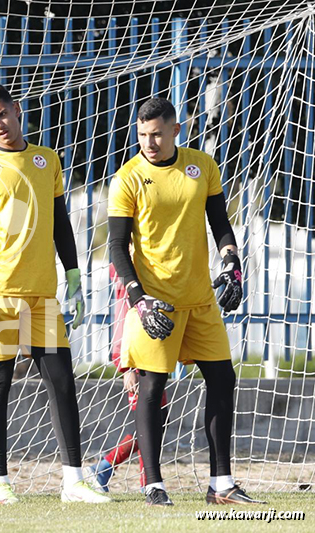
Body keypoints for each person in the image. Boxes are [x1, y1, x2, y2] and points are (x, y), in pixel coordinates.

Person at [107, 97, 264, 506]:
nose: (149, 142)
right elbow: (117, 248)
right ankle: (154, 485)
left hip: (200, 300)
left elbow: (221, 226)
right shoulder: (126, 178)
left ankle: (221, 484)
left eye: (157, 133)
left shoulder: (202, 167)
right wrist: (138, 298)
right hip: (154, 302)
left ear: (176, 130)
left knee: (222, 380)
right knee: (152, 386)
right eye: (142, 135)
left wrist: (232, 263)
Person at [0, 83, 110, 505]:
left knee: (62, 382)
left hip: (43, 294)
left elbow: (61, 222)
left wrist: (75, 276)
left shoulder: (47, 160)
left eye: (2, 114)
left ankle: (73, 482)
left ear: (17, 109)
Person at [84, 265, 168, 493]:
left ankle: (106, 470)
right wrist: (126, 366)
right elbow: (123, 320)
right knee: (150, 418)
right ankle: (117, 473)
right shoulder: (127, 280)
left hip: (153, 351)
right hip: (135, 356)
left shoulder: (147, 273)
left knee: (158, 418)